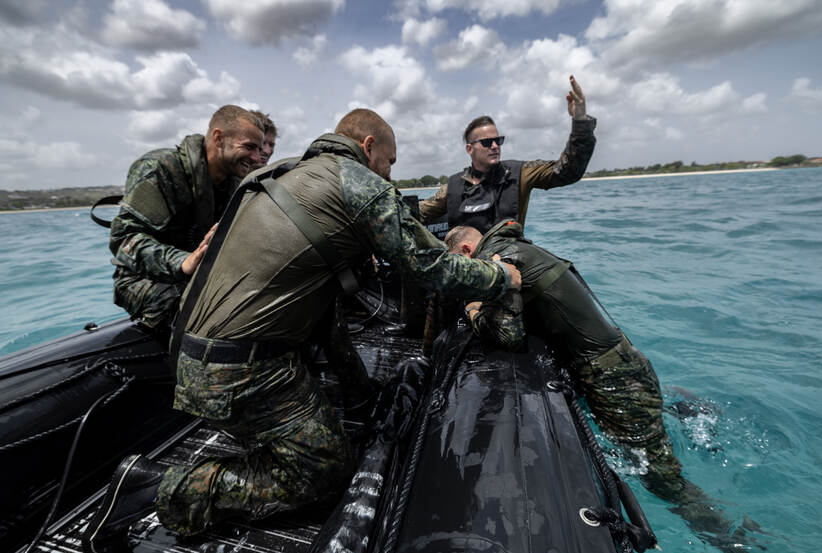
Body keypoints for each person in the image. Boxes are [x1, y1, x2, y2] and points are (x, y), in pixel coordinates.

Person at [82, 108, 521, 551]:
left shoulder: (277, 173)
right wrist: (500, 277)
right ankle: (157, 489)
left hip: (191, 354)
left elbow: (321, 308)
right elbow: (430, 266)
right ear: (368, 148)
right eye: (390, 163)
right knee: (326, 470)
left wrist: (362, 394)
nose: (390, 175)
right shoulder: (360, 183)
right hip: (238, 372)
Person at [445, 220, 764, 552]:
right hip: (621, 364)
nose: (468, 279)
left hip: (615, 380)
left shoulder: (498, 261)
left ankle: (737, 539)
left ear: (468, 251)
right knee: (645, 456)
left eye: (463, 270)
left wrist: (472, 308)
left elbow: (508, 335)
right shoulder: (518, 247)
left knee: (663, 482)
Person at [108, 105, 264, 331]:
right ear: (219, 138)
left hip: (200, 279)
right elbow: (124, 241)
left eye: (259, 150)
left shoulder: (235, 185)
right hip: (143, 280)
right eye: (249, 147)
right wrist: (182, 262)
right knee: (200, 313)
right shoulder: (160, 169)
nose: (257, 157)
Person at [419, 76, 596, 234]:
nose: (495, 146)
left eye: (498, 140)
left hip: (509, 265)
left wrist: (580, 122)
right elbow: (419, 212)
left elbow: (567, 171)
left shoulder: (521, 173)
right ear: (469, 149)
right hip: (467, 267)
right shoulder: (452, 187)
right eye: (487, 142)